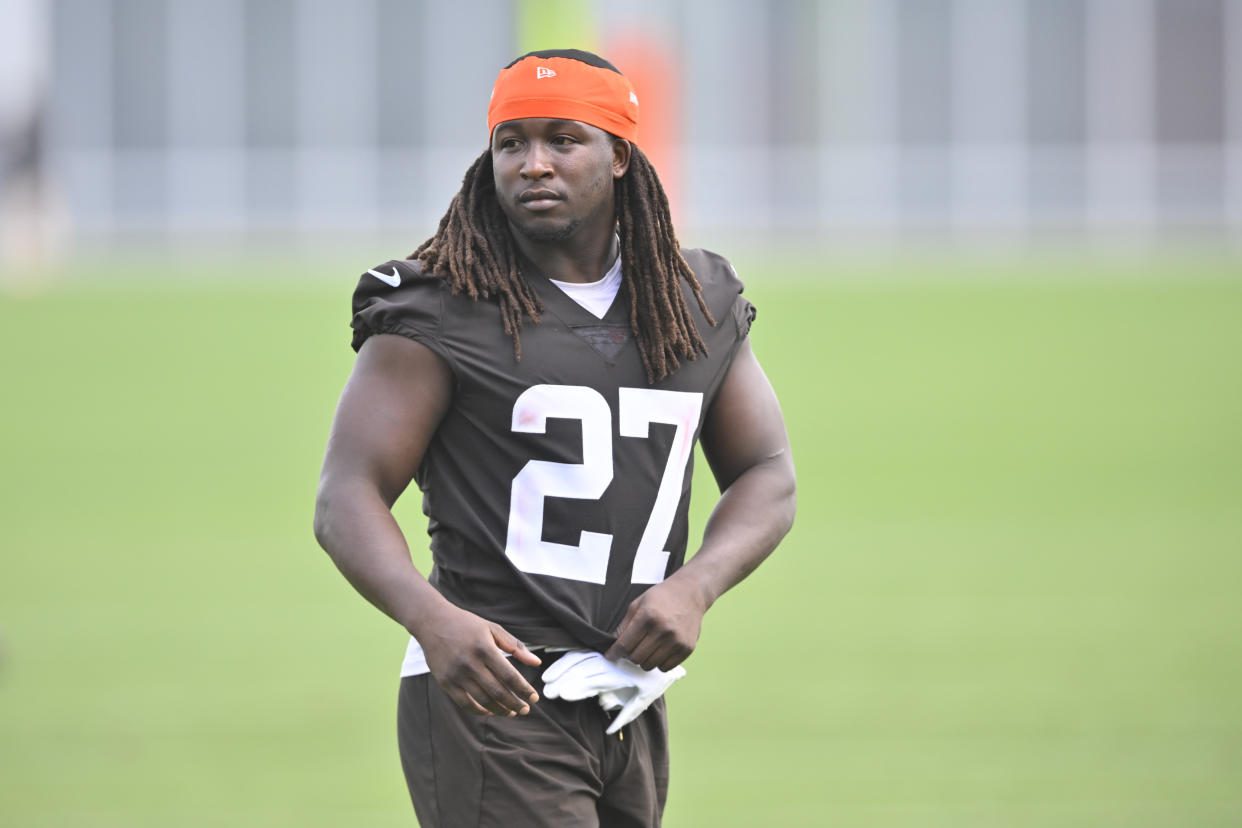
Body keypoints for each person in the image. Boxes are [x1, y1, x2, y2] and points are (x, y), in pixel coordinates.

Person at [314, 49, 796, 827]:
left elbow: (768, 472)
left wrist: (695, 586)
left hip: (626, 695)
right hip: (494, 693)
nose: (533, 164)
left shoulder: (693, 301)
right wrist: (433, 620)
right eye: (513, 143)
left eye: (563, 139)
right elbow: (347, 494)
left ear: (620, 158)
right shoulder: (441, 306)